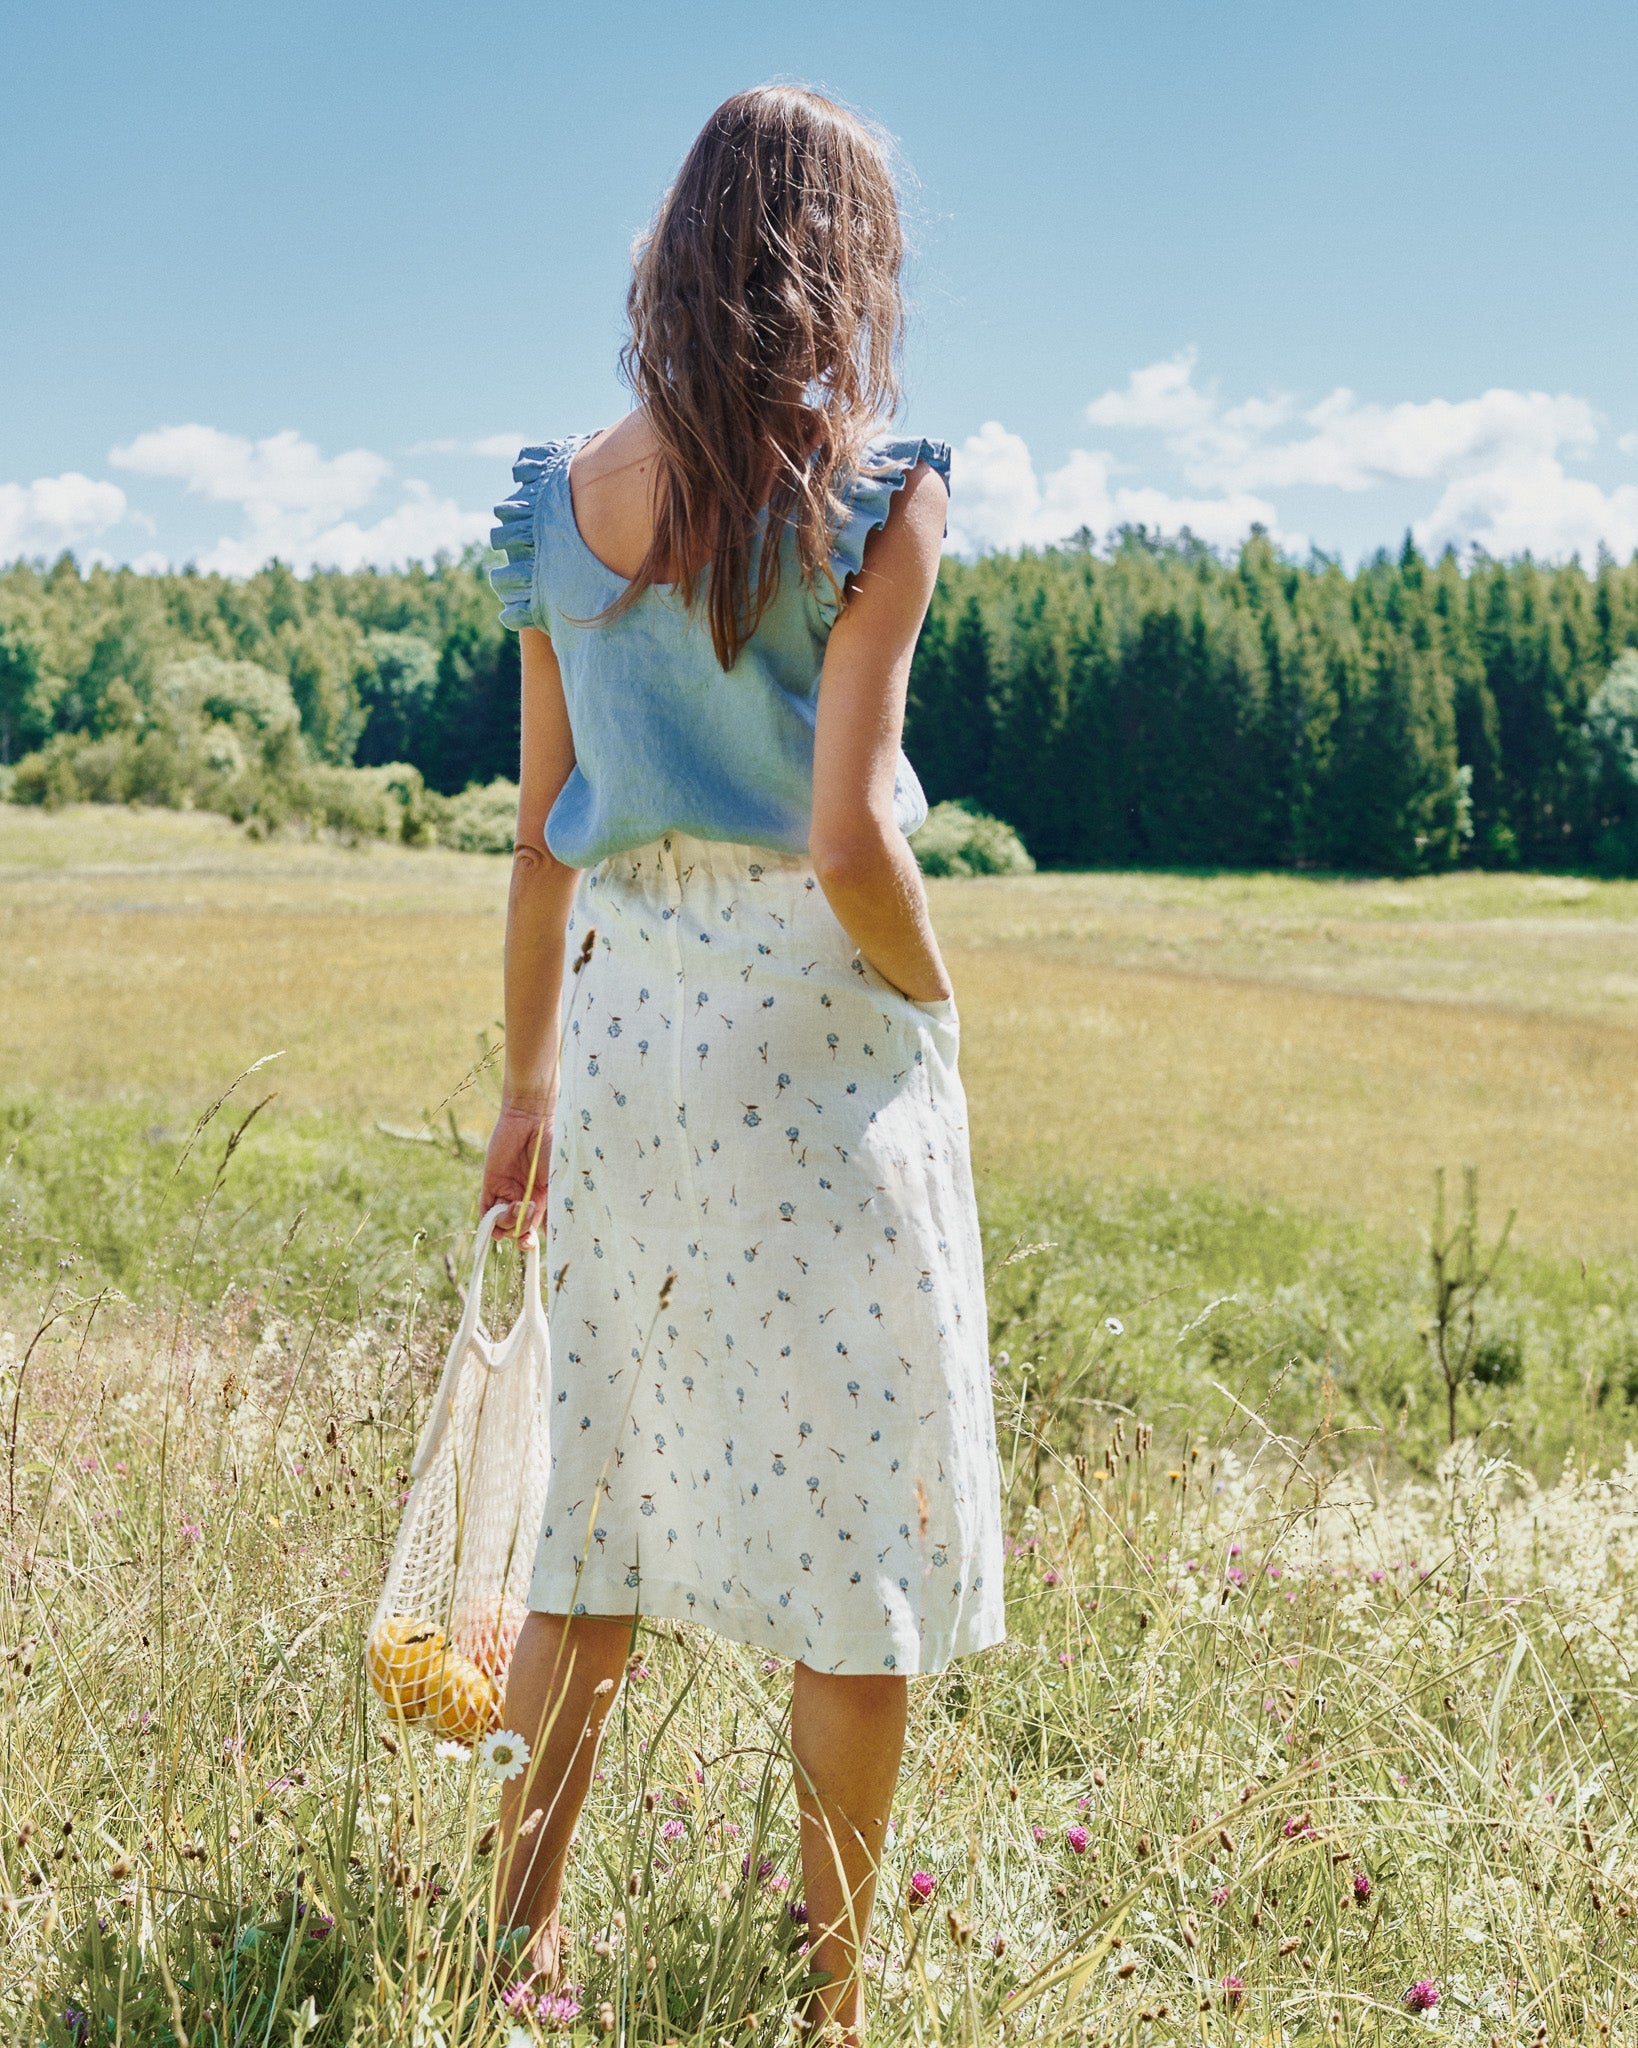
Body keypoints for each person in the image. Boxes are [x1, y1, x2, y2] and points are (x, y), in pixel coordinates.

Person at [478, 83, 1004, 2040]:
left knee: (591, 1513)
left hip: (624, 1029)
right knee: (858, 1536)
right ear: (845, 267)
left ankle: (511, 1954)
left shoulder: (557, 507)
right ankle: (827, 2005)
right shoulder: (879, 499)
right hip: (817, 1036)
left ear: (675, 249)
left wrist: (523, 1089)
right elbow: (852, 837)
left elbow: (540, 839)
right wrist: (936, 995)